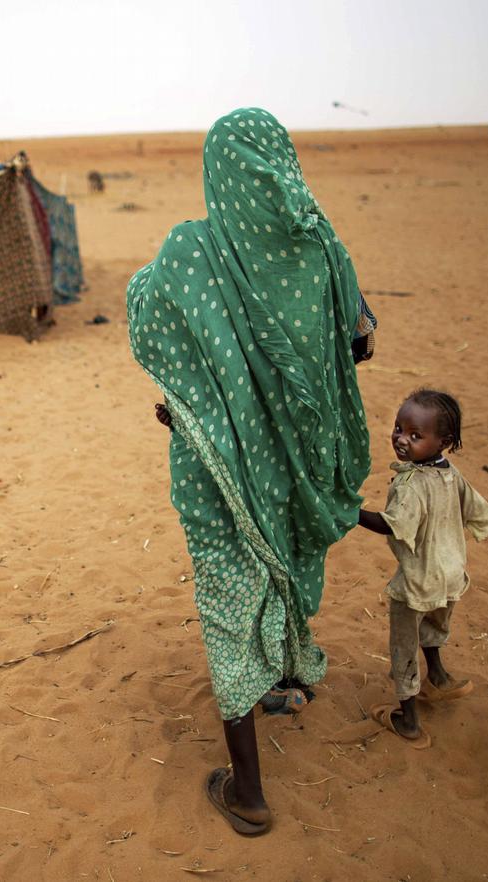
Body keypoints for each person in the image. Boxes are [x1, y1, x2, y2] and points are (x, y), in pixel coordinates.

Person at [127, 107, 376, 836]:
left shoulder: (190, 253)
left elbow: (149, 320)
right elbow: (359, 341)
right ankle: (289, 679)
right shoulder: (324, 248)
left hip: (221, 473)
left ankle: (248, 792)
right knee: (286, 558)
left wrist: (216, 402)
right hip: (298, 465)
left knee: (229, 599)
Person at [354, 388, 488, 748]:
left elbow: (392, 523)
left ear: (443, 441)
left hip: (419, 582)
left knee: (404, 645)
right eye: (399, 429)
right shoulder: (448, 472)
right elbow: (474, 503)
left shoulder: (412, 485)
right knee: (434, 624)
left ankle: (409, 719)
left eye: (415, 436)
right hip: (450, 575)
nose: (402, 440)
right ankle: (439, 676)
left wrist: (351, 513)